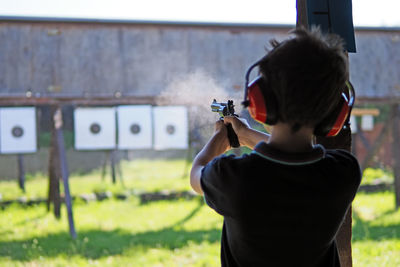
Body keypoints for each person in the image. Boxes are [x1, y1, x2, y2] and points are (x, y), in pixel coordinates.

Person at [190, 28, 361, 267]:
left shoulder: (231, 177)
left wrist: (217, 140)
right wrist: (246, 134)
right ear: (335, 113)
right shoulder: (343, 172)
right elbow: (292, 161)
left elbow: (197, 173)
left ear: (261, 101)